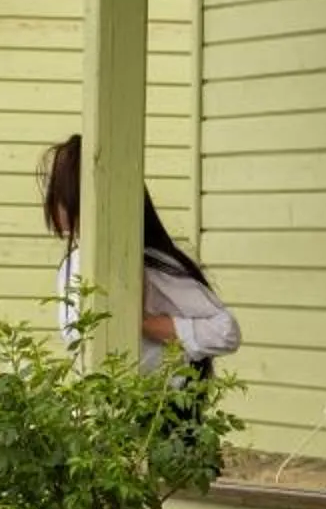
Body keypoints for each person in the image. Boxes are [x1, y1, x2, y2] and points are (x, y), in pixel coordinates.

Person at [37, 133, 239, 376]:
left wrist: (143, 323)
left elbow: (226, 331)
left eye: (57, 189)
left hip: (156, 408)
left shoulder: (146, 262)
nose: (50, 199)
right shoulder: (73, 263)